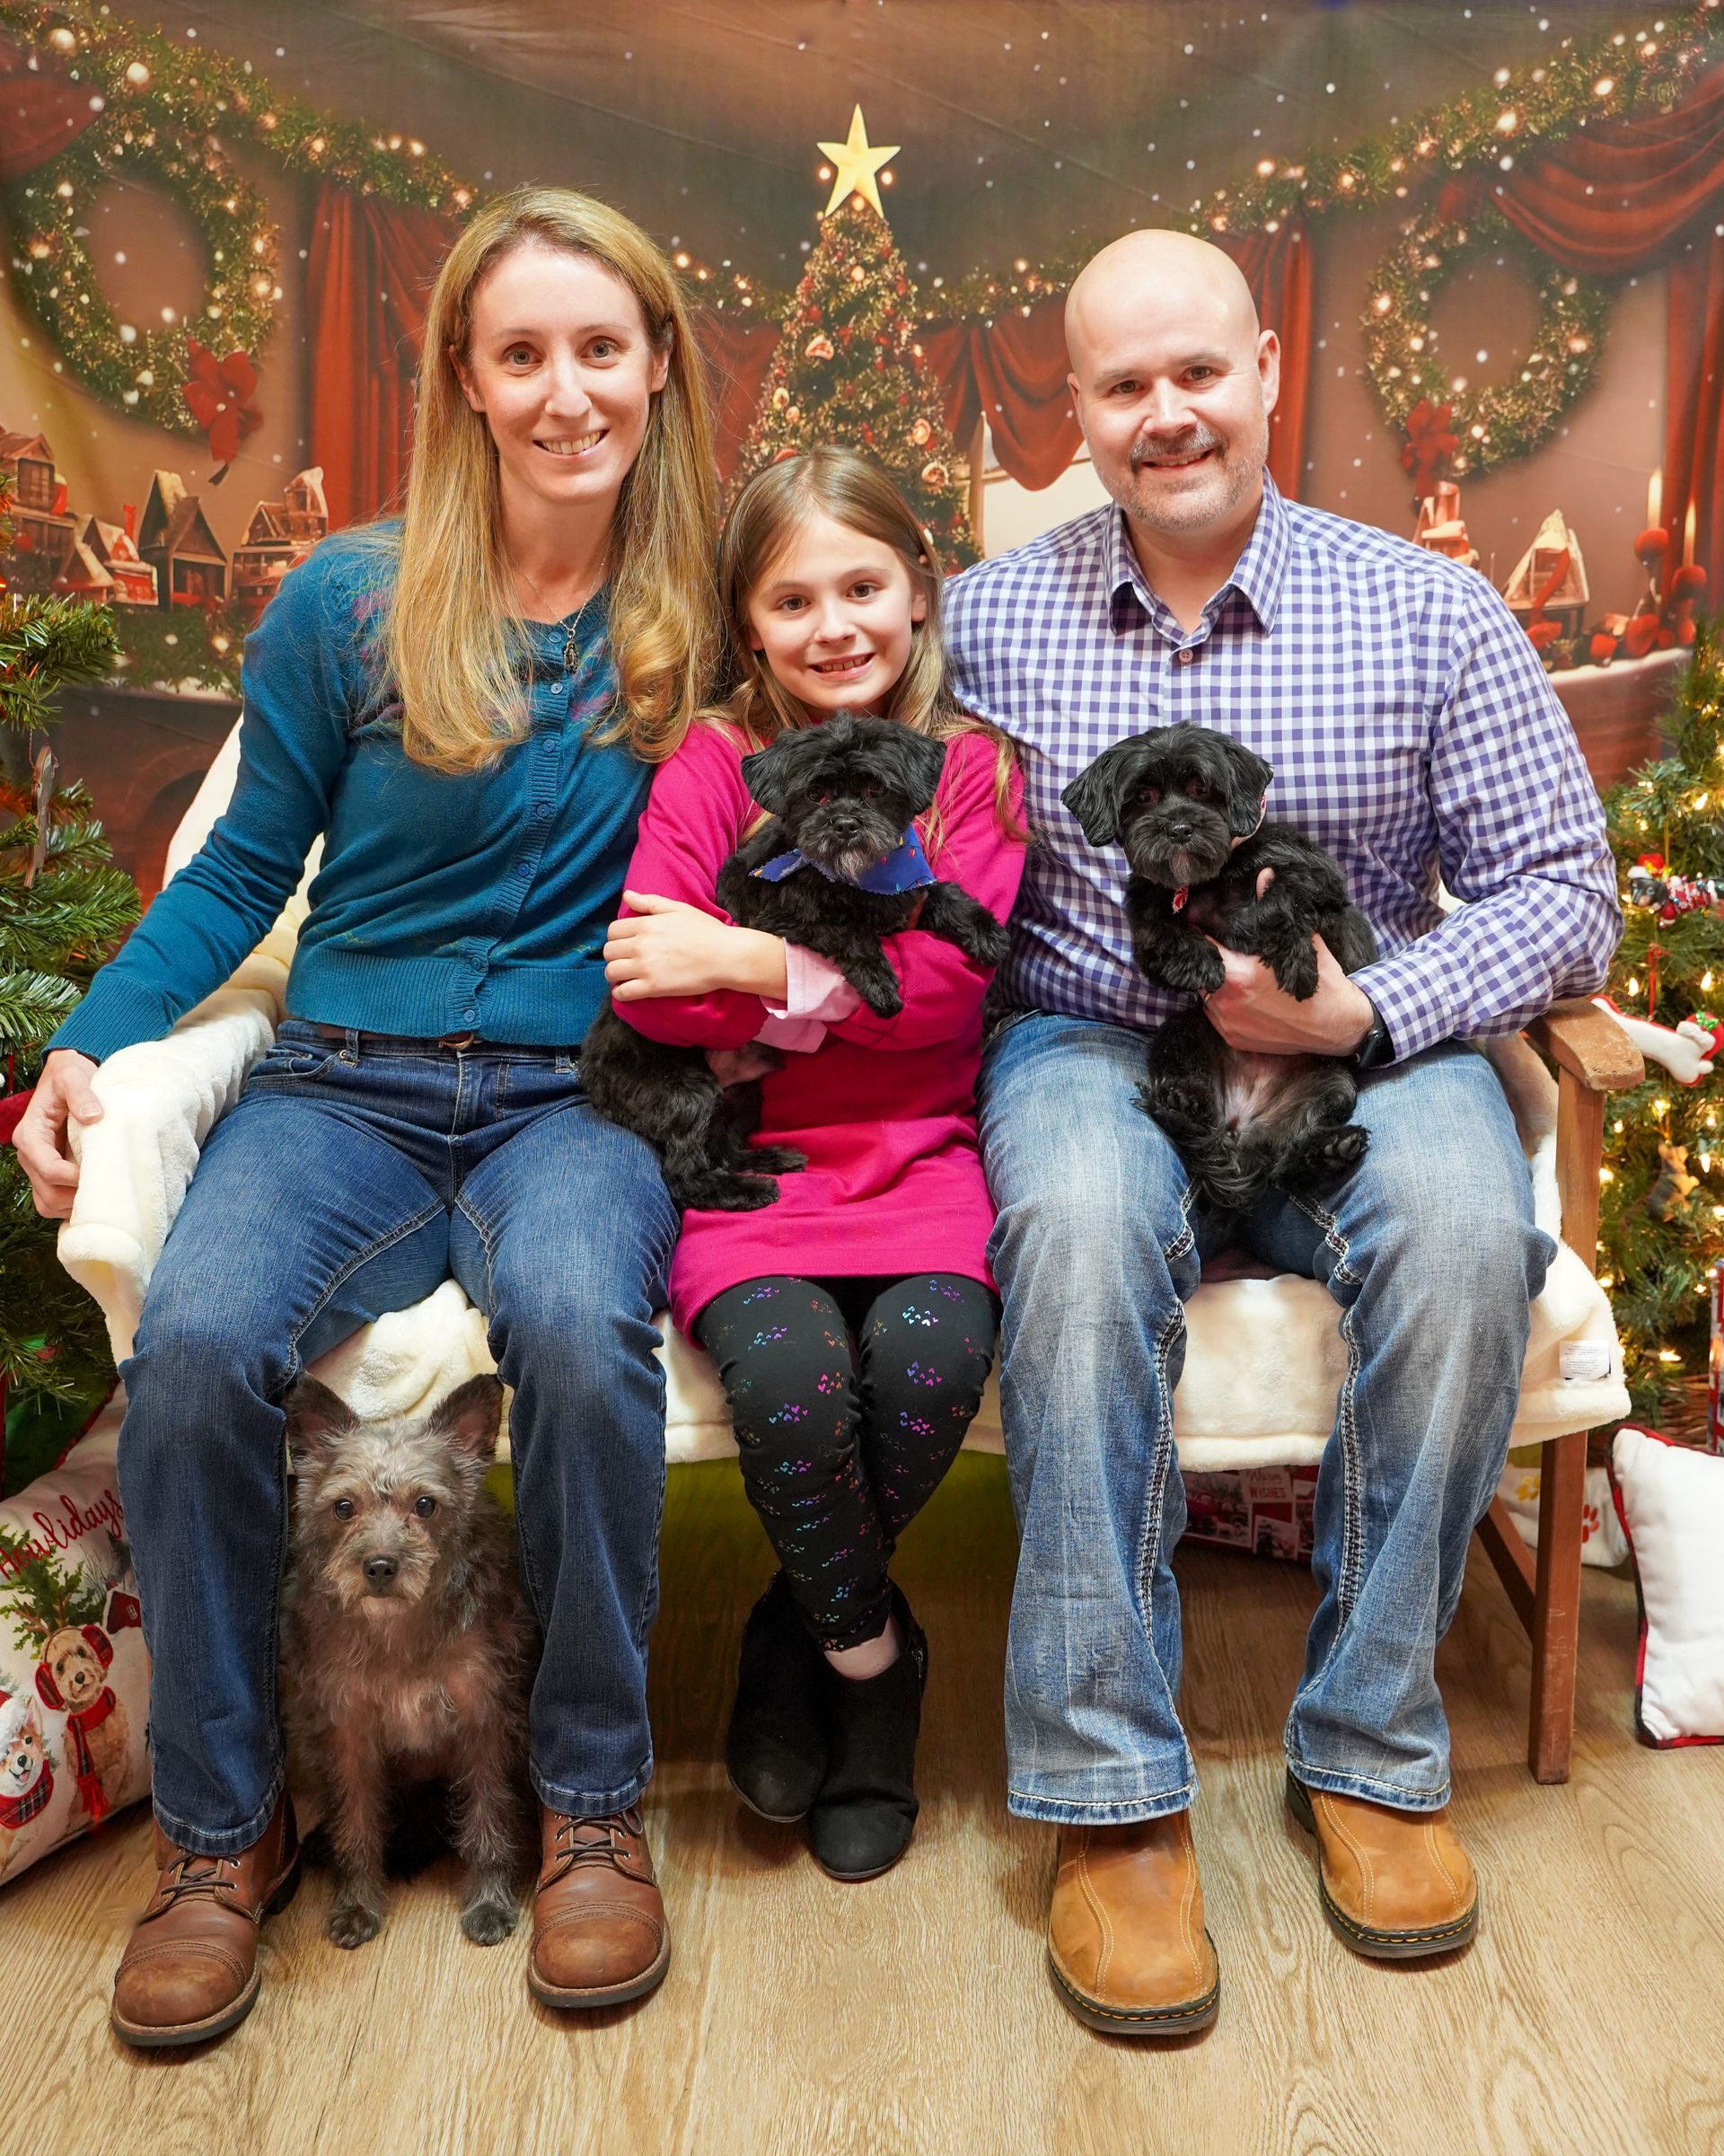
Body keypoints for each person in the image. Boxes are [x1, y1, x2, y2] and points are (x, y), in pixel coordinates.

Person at [13, 187, 722, 2044]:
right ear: (466, 382)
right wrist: (89, 1045)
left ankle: (587, 1808)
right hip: (346, 1089)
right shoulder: (348, 597)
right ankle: (219, 1834)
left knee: (578, 1324)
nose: (565, 389)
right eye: (522, 354)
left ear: (657, 363)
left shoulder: (713, 608)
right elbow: (242, 866)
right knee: (198, 1343)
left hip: (579, 1097)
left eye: (599, 346)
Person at [942, 229, 1620, 2037]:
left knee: (1475, 1237)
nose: (1166, 415)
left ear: (1264, 372)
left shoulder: (1427, 608)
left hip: (1365, 1035)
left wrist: (1366, 1012)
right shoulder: (982, 617)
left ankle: (1373, 1742)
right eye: (1120, 386)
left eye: (1195, 373)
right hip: (1091, 1038)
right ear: (1074, 411)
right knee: (1078, 1236)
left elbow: (1570, 893)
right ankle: (1111, 1791)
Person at [601, 447, 1025, 1879]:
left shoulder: (973, 770)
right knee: (791, 1380)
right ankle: (875, 1663)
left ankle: (798, 1628)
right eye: (794, 598)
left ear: (920, 589)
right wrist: (822, 976)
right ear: (747, 621)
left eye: (863, 585)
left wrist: (750, 958)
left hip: (923, 1162)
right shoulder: (715, 762)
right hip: (755, 1168)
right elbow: (653, 985)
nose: (835, 623)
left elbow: (955, 989)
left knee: (924, 1357)